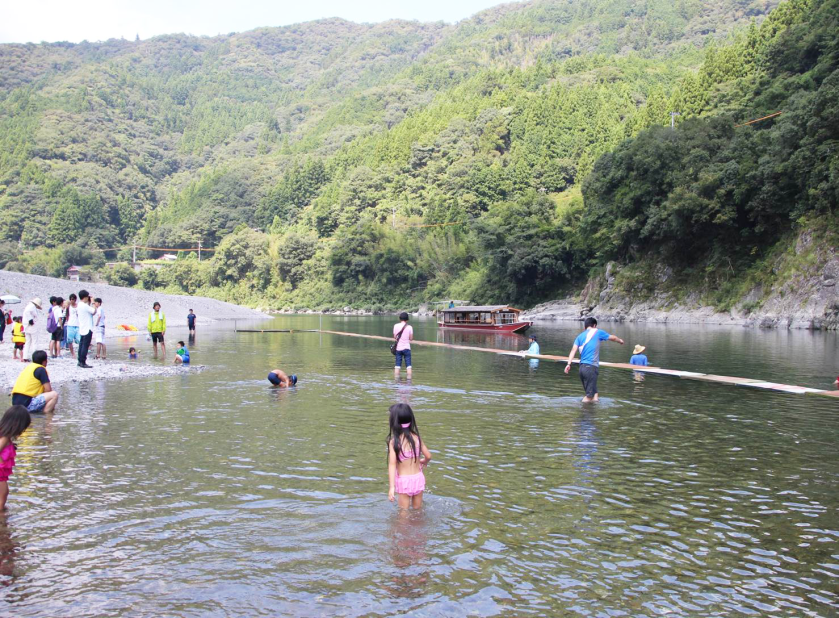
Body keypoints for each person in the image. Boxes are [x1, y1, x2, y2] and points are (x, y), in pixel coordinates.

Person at [564, 317, 625, 403]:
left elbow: (573, 350)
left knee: (594, 394)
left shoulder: (579, 336)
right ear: (594, 325)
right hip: (591, 367)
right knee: (589, 396)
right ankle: (581, 411)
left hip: (582, 368)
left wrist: (568, 364)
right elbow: (613, 338)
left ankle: (593, 411)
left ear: (585, 327)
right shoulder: (597, 332)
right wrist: (620, 341)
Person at [387, 403, 432, 510]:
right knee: (418, 510)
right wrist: (424, 461)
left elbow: (392, 465)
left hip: (404, 482)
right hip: (418, 479)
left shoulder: (394, 442)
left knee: (403, 514)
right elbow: (429, 456)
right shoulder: (417, 438)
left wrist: (391, 487)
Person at [0, 405, 32, 511]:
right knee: (3, 495)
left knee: (4, 494)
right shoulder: (4, 438)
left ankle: (3, 513)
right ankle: (2, 520)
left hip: (2, 475)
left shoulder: (5, 436)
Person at [76, 290, 96, 368]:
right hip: (88, 328)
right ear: (85, 297)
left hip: (82, 328)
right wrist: (93, 302)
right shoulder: (84, 306)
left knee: (81, 345)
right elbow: (94, 311)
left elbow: (88, 310)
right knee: (85, 346)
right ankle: (83, 362)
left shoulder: (79, 305)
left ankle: (80, 361)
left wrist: (89, 302)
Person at [393, 312, 413, 378]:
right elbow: (411, 338)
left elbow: (395, 337)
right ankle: (409, 381)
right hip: (407, 348)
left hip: (398, 348)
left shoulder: (395, 326)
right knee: (408, 366)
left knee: (397, 366)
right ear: (407, 319)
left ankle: (396, 381)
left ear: (400, 319)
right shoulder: (410, 327)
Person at [21, 297, 41, 363]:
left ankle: (25, 357)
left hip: (26, 326)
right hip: (32, 326)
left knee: (28, 342)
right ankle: (35, 358)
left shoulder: (29, 306)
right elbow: (27, 313)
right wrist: (30, 320)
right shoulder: (32, 307)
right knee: (34, 342)